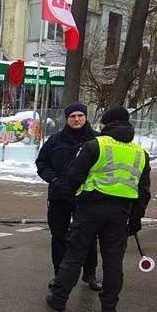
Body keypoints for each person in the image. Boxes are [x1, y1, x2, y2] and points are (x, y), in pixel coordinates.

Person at [46, 107, 151, 312]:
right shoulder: (140, 153)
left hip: (90, 209)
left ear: (105, 125)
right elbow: (143, 191)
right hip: (120, 213)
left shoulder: (94, 146)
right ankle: (109, 306)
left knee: (75, 254)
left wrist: (76, 198)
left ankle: (59, 299)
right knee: (113, 260)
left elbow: (74, 177)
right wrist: (136, 219)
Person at [36, 103, 100, 291]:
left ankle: (90, 274)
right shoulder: (55, 140)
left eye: (80, 115)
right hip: (59, 196)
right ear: (67, 119)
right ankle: (59, 276)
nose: (77, 119)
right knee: (59, 237)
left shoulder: (97, 140)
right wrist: (55, 179)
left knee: (88, 237)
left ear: (86, 117)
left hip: (87, 197)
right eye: (72, 116)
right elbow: (41, 163)